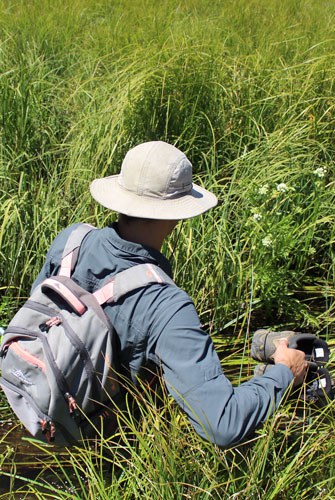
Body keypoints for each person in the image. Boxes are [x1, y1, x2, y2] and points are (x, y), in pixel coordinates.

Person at [32, 140, 307, 448]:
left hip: (38, 401)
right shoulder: (168, 307)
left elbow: (40, 316)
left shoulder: (71, 240)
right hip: (101, 440)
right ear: (176, 215)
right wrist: (284, 373)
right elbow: (222, 425)